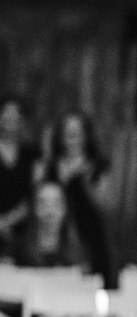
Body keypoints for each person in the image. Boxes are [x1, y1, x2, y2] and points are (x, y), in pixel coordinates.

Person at [38, 110, 114, 285]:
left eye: (77, 131)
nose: (72, 136)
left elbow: (104, 207)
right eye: (67, 130)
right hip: (53, 240)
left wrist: (85, 182)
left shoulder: (97, 168)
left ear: (86, 135)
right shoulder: (48, 167)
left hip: (88, 239)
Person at [7, 180, 93, 270]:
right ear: (33, 208)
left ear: (66, 209)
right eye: (42, 203)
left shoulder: (80, 253)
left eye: (56, 204)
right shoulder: (15, 251)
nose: (50, 211)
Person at [0, 95, 39, 256]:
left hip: (22, 231)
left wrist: (6, 222)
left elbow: (35, 192)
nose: (11, 117)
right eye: (6, 112)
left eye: (16, 113)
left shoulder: (33, 154)